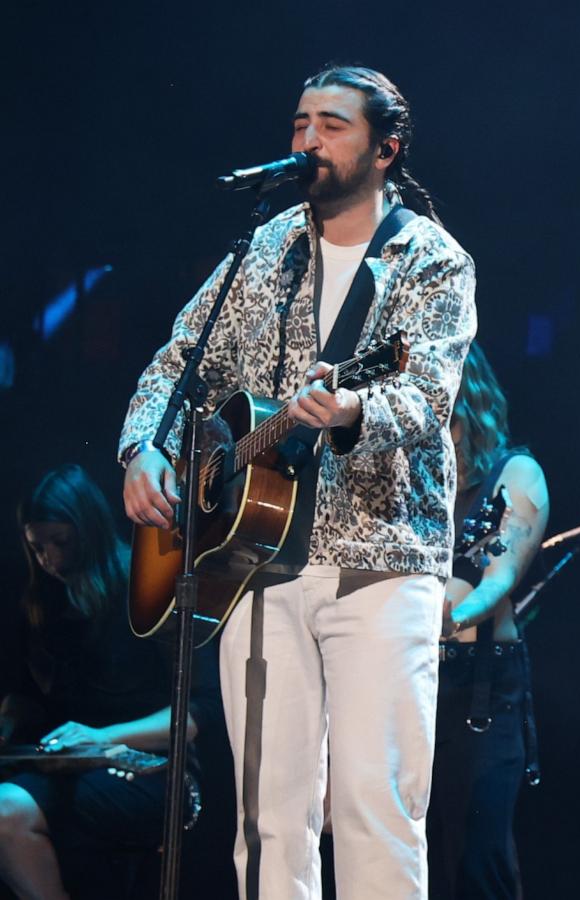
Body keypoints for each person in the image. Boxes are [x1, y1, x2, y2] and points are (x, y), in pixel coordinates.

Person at [119, 65, 476, 900]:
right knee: (266, 820)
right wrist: (143, 447)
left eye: (332, 125)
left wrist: (350, 406)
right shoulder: (267, 247)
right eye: (299, 123)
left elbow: (425, 399)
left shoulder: (431, 259)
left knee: (371, 807)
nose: (307, 140)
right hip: (255, 566)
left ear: (386, 149)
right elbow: (179, 365)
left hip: (379, 564)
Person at [0, 464, 223, 899]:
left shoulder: (145, 588)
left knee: (8, 810)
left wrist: (102, 738)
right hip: (75, 770)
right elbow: (28, 699)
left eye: (59, 543)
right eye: (38, 549)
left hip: (155, 773)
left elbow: (200, 711)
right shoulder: (44, 604)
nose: (49, 560)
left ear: (88, 530)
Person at [428, 344, 549, 899]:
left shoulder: (514, 471)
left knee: (477, 860)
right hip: (404, 677)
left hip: (478, 687)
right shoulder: (411, 483)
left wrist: (450, 616)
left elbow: (500, 578)